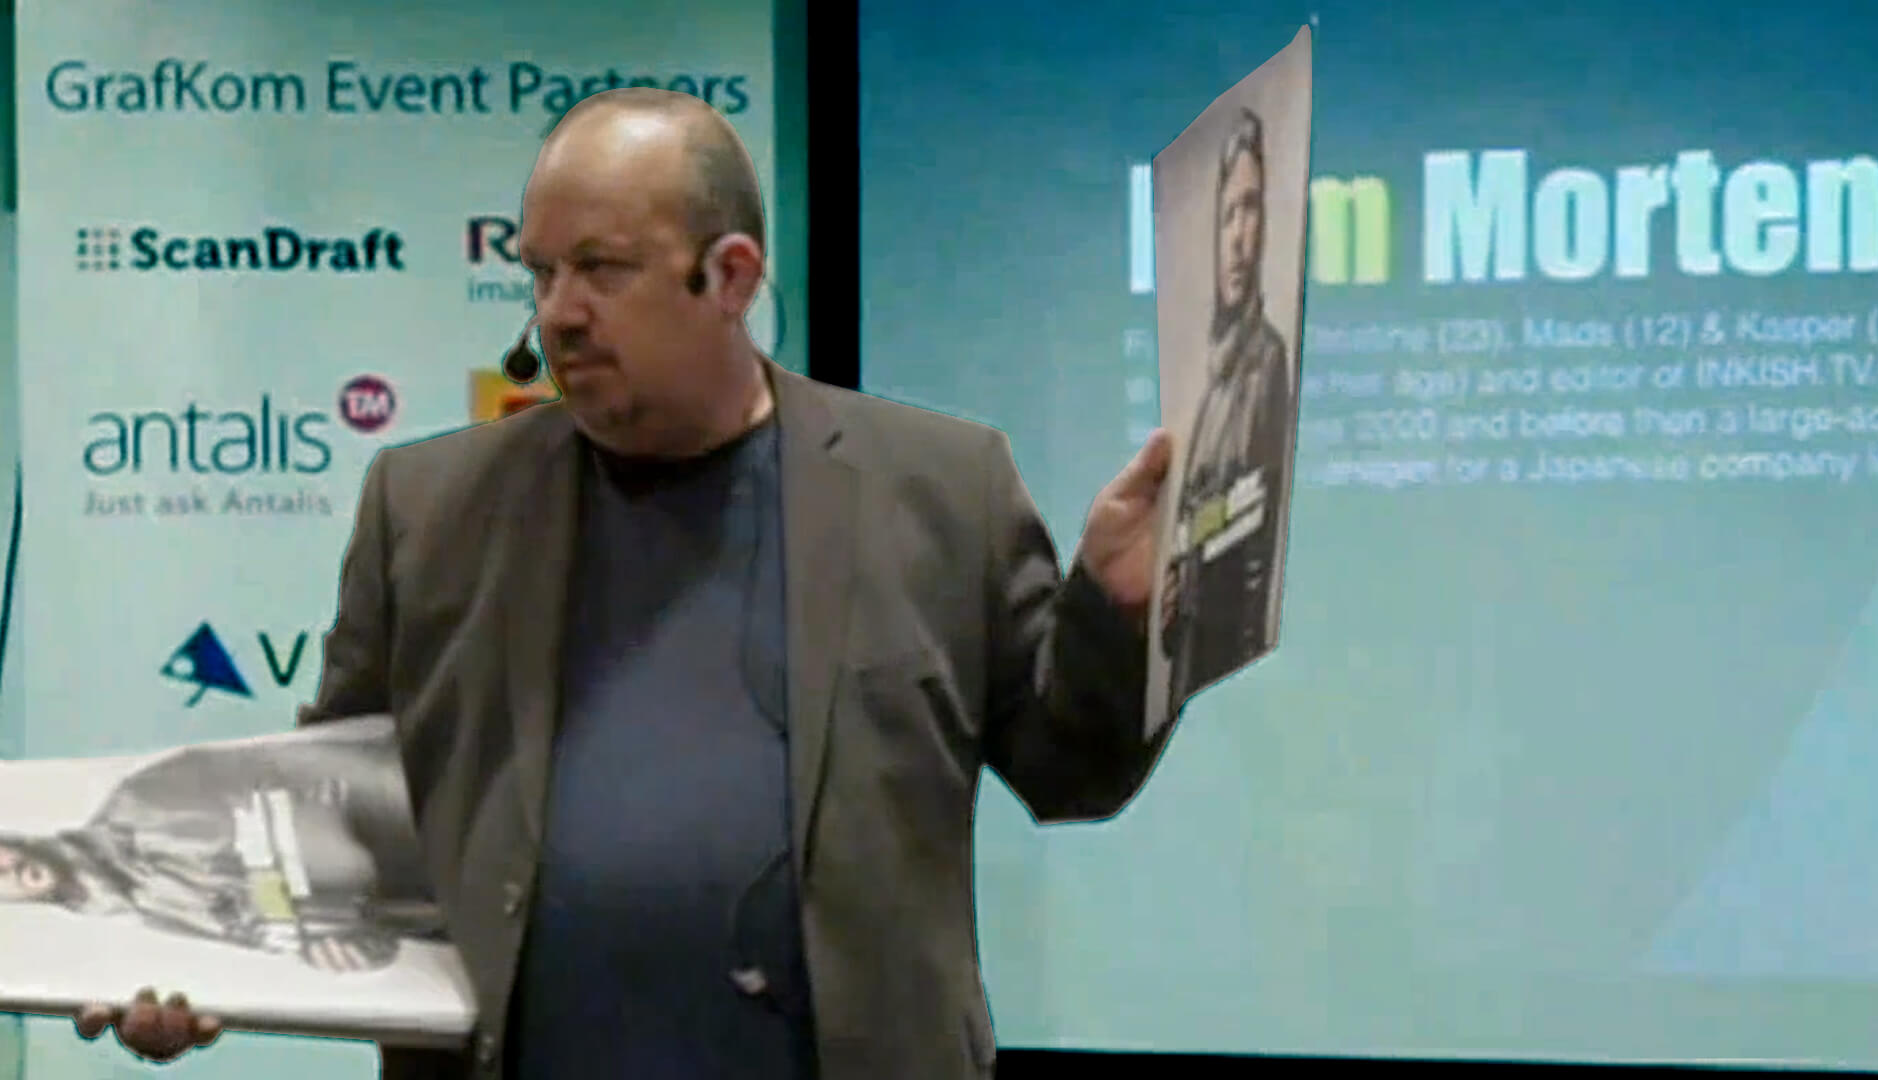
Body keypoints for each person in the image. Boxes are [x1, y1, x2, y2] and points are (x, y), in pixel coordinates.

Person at [79, 86, 1178, 1079]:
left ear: (730, 276)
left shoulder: (940, 487)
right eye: (541, 272)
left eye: (602, 269)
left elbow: (1072, 772)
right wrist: (202, 964)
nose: (557, 312)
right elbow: (329, 812)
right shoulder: (429, 509)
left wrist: (1123, 613)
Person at [3, 716, 440, 970]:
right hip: (440, 916)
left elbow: (309, 772)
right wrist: (347, 950)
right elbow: (294, 927)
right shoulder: (153, 909)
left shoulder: (140, 805)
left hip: (420, 809)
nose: (2, 872)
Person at [1159, 106, 1299, 717]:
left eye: (1253, 209)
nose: (1241, 237)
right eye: (1228, 215)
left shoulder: (1266, 362)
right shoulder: (1206, 382)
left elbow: (1256, 556)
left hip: (1232, 703)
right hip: (1187, 691)